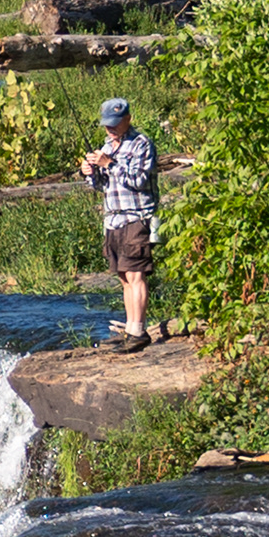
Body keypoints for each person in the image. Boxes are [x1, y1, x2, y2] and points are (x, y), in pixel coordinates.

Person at [77, 97, 157, 353]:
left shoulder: (142, 144)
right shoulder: (105, 147)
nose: (110, 129)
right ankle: (130, 329)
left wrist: (109, 164)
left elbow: (139, 180)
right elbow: (103, 186)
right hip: (112, 219)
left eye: (114, 124)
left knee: (136, 274)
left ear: (128, 120)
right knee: (124, 276)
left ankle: (138, 331)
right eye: (106, 125)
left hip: (136, 216)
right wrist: (90, 173)